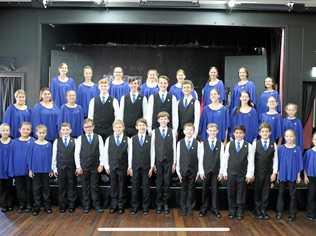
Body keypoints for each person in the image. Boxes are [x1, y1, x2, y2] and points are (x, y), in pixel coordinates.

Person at [222, 125, 255, 220]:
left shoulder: (248, 145)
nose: (238, 135)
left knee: (241, 192)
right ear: (233, 134)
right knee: (231, 192)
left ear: (244, 134)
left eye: (240, 133)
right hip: (231, 173)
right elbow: (225, 159)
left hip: (242, 173)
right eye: (236, 133)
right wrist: (224, 172)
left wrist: (249, 174)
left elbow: (251, 161)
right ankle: (232, 210)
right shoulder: (229, 144)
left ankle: (240, 211)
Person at [74, 118, 105, 214]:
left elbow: (102, 152)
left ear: (93, 127)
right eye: (86, 127)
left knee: (95, 186)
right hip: (84, 167)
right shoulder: (80, 138)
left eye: (90, 126)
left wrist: (101, 164)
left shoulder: (98, 137)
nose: (88, 128)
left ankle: (96, 205)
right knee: (85, 187)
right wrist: (78, 166)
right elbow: (76, 153)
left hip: (95, 166)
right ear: (83, 128)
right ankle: (86, 206)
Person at [151, 112, 176, 215]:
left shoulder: (172, 131)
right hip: (158, 161)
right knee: (159, 183)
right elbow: (152, 149)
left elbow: (174, 148)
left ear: (168, 120)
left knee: (167, 183)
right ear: (158, 120)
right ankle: (159, 204)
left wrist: (174, 163)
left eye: (165, 119)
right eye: (161, 119)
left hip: (169, 161)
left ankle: (166, 204)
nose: (163, 121)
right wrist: (153, 164)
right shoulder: (154, 132)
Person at [128, 118, 154, 215]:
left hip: (146, 166)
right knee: (135, 187)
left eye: (143, 125)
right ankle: (135, 207)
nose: (142, 127)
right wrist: (130, 167)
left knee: (146, 187)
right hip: (135, 166)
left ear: (146, 127)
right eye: (140, 125)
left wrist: (151, 166)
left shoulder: (150, 139)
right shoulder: (132, 139)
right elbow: (130, 153)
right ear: (136, 127)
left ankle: (145, 207)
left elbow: (152, 153)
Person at [198, 123, 225, 218]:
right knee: (204, 190)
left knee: (215, 190)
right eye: (210, 131)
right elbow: (200, 158)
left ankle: (215, 209)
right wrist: (201, 171)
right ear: (207, 131)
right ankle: (204, 208)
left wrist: (221, 171)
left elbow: (222, 158)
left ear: (217, 131)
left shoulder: (220, 144)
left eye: (214, 131)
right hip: (205, 171)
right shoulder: (202, 144)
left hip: (216, 171)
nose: (212, 132)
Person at [276, 129, 303, 222]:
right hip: (282, 174)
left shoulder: (298, 149)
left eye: (291, 136)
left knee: (293, 195)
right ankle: (279, 212)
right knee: (281, 193)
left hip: (293, 174)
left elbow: (300, 163)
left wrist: (299, 175)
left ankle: (292, 213)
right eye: (287, 136)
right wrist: (278, 174)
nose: (289, 138)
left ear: (294, 137)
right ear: (284, 137)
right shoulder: (280, 148)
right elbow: (277, 162)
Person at [252, 123, 278, 220]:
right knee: (257, 191)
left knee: (266, 192)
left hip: (268, 173)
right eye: (262, 131)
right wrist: (252, 173)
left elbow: (275, 160)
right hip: (258, 172)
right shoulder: (255, 143)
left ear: (270, 133)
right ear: (259, 133)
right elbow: (251, 159)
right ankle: (257, 210)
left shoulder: (273, 144)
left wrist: (274, 172)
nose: (264, 133)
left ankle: (263, 210)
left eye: (266, 131)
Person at [104, 120, 129, 215]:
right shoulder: (109, 139)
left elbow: (130, 154)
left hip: (123, 166)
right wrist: (106, 166)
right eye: (116, 127)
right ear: (113, 128)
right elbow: (105, 154)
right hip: (112, 166)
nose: (118, 129)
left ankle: (121, 205)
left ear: (123, 128)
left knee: (122, 186)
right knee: (113, 186)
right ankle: (113, 205)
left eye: (120, 127)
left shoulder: (128, 139)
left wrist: (129, 167)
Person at [8, 122, 34, 213]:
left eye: (28, 129)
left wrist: (32, 169)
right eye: (23, 129)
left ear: (31, 131)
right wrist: (11, 170)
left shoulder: (33, 141)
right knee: (19, 189)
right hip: (17, 170)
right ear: (19, 130)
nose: (25, 131)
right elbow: (11, 157)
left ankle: (29, 205)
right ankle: (21, 205)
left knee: (29, 188)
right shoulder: (14, 142)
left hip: (28, 171)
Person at [51, 122, 77, 213]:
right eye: (63, 130)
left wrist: (77, 167)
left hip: (71, 168)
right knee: (61, 187)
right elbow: (54, 156)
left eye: (67, 130)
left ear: (70, 131)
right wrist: (54, 168)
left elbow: (77, 155)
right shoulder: (56, 141)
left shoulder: (75, 141)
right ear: (60, 131)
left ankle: (71, 205)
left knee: (71, 186)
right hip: (60, 168)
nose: (65, 131)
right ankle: (62, 205)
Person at [28, 125, 53, 216]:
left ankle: (47, 206)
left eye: (43, 133)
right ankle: (37, 207)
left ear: (46, 133)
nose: (41, 134)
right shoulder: (33, 144)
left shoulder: (49, 144)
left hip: (46, 170)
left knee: (46, 189)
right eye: (40, 133)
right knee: (36, 189)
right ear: (36, 133)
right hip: (36, 170)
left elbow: (51, 158)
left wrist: (50, 169)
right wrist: (30, 169)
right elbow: (29, 157)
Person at [176, 123, 199, 216]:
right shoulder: (180, 143)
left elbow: (199, 158)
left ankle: (190, 207)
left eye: (191, 130)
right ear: (184, 131)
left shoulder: (197, 143)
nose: (189, 132)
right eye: (187, 130)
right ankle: (183, 207)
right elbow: (178, 158)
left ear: (193, 132)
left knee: (191, 189)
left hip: (193, 170)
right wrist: (178, 171)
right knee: (183, 189)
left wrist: (198, 172)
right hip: (183, 170)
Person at [0, 123, 14, 212]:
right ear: (0, 132)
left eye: (7, 130)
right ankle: (3, 204)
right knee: (1, 188)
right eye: (3, 130)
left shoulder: (13, 142)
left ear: (9, 131)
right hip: (1, 168)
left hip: (10, 167)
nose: (5, 132)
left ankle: (10, 204)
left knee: (10, 187)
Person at [304, 132, 316, 221]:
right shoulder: (308, 152)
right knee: (311, 195)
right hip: (311, 177)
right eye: (315, 139)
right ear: (312, 140)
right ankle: (310, 213)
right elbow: (305, 166)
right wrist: (305, 176)